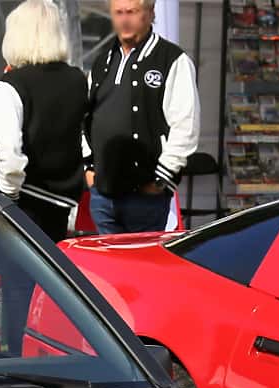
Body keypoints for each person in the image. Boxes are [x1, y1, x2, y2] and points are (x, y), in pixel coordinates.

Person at [84, 0, 199, 234]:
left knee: (138, 266)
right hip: (103, 193)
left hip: (146, 196)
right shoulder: (102, 61)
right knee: (107, 268)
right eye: (118, 13)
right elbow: (85, 116)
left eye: (132, 12)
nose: (124, 20)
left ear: (150, 13)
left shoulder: (171, 59)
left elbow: (186, 125)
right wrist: (89, 167)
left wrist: (161, 179)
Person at [0, 0, 88, 241]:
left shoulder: (12, 84)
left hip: (19, 204)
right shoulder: (77, 80)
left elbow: (10, 156)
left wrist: (7, 198)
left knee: (10, 278)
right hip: (61, 204)